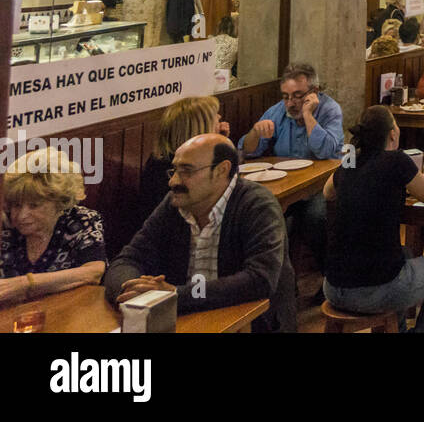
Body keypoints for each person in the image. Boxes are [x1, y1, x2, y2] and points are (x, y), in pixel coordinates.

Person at [105, 134, 296, 331]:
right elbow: (126, 260)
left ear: (222, 170)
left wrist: (176, 295)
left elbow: (260, 280)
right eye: (174, 171)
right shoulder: (175, 204)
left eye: (187, 171)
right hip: (186, 318)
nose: (173, 182)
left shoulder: (257, 204)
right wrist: (132, 291)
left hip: (251, 323)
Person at [323, 107, 424, 332]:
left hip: (332, 287)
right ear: (393, 134)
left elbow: (328, 192)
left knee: (404, 253)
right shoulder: (395, 160)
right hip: (373, 292)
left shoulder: (350, 161)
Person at [240, 63, 343, 271]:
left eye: (297, 95)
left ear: (314, 92)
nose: (291, 103)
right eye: (286, 96)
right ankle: (282, 284)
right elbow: (246, 151)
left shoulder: (330, 109)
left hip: (320, 184)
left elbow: (328, 152)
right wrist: (255, 133)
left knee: (315, 218)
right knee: (264, 220)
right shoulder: (277, 112)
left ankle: (330, 276)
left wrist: (308, 115)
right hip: (285, 185)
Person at [0, 148, 106, 305]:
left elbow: (93, 272)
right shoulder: (6, 225)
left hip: (69, 313)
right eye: (16, 205)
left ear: (59, 202)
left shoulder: (81, 220)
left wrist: (26, 284)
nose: (22, 215)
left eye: (34, 206)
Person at [135, 96, 229, 235]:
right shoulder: (169, 168)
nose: (219, 117)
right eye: (214, 115)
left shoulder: (163, 157)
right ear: (200, 127)